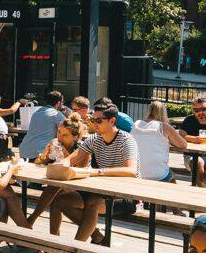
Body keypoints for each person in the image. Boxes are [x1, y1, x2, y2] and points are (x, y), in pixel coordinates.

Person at [33, 104, 136, 243]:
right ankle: (96, 237)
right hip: (101, 190)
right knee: (59, 200)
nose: (94, 124)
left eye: (98, 121)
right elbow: (70, 160)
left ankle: (74, 252)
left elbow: (131, 171)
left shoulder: (126, 140)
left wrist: (96, 172)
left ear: (112, 121)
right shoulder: (94, 139)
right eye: (93, 120)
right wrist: (51, 157)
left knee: (92, 202)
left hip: (126, 195)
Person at [131, 100, 184, 182]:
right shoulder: (163, 127)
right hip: (158, 175)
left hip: (136, 173)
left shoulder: (136, 124)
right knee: (172, 177)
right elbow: (183, 145)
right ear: (163, 112)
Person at [19, 91, 68, 160]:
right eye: (62, 102)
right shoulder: (56, 114)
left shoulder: (37, 112)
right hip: (39, 152)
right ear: (58, 103)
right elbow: (68, 128)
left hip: (25, 149)